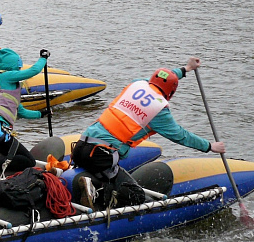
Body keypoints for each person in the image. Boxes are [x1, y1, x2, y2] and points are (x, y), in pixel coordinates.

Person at [71, 57, 226, 208]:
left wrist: (186, 69)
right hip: (100, 156)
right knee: (136, 195)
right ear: (171, 92)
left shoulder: (137, 84)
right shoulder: (159, 110)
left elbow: (160, 79)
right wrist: (210, 146)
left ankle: (91, 186)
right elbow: (181, 136)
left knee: (113, 173)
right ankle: (97, 194)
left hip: (80, 146)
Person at [0, 48, 50, 176]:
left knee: (9, 153)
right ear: (14, 66)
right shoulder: (6, 75)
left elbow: (22, 112)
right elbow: (33, 71)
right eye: (18, 68)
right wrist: (43, 58)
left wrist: (41, 114)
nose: (19, 71)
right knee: (28, 160)